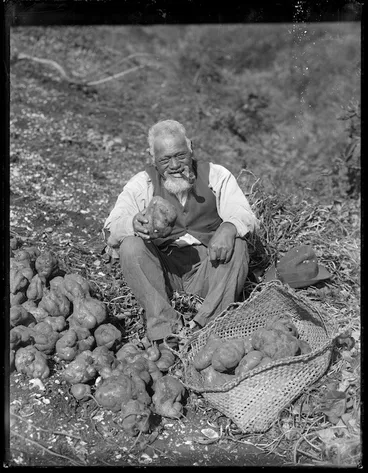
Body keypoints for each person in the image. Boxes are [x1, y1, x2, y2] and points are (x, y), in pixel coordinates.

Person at [103, 119, 259, 353]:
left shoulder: (216, 176)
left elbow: (244, 214)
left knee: (237, 244)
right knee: (131, 246)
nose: (175, 165)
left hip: (209, 268)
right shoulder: (142, 183)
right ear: (152, 157)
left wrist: (229, 227)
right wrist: (132, 223)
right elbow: (110, 228)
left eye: (181, 155)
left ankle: (206, 328)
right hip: (164, 274)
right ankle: (166, 332)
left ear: (191, 148)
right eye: (165, 159)